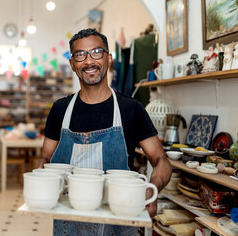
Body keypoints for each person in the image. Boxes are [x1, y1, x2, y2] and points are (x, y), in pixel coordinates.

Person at [39, 28, 172, 235]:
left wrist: (152, 190)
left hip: (121, 221)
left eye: (96, 52)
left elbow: (160, 160)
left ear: (109, 59)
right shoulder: (60, 110)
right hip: (69, 224)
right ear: (72, 64)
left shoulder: (131, 109)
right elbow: (45, 158)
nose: (89, 61)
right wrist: (42, 184)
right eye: (80, 54)